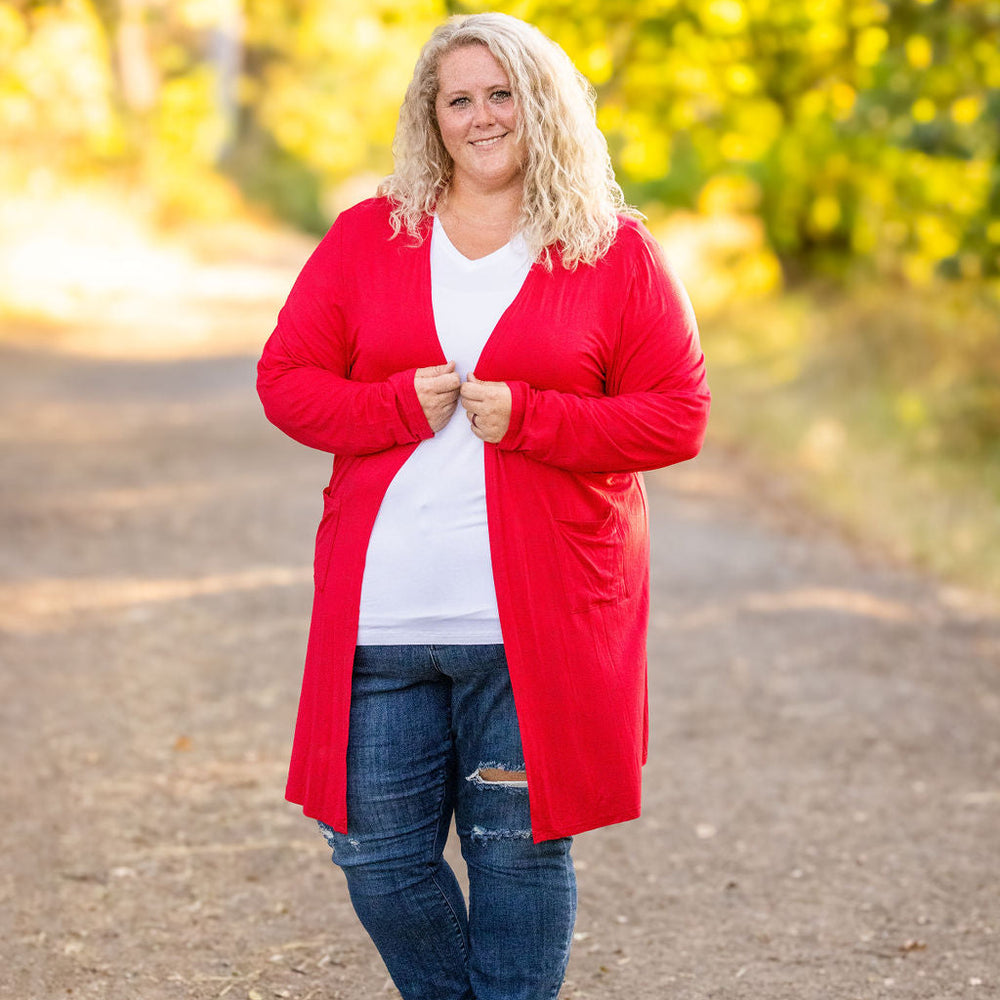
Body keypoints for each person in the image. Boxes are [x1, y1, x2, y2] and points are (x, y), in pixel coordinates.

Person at [257, 11, 710, 1000]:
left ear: (541, 105)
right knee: (375, 855)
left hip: (534, 624)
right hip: (382, 618)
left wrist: (538, 420)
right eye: (457, 99)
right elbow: (287, 381)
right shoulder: (366, 240)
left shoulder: (608, 249)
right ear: (432, 118)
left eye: (500, 93)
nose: (480, 116)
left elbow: (676, 416)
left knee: (518, 857)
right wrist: (386, 405)